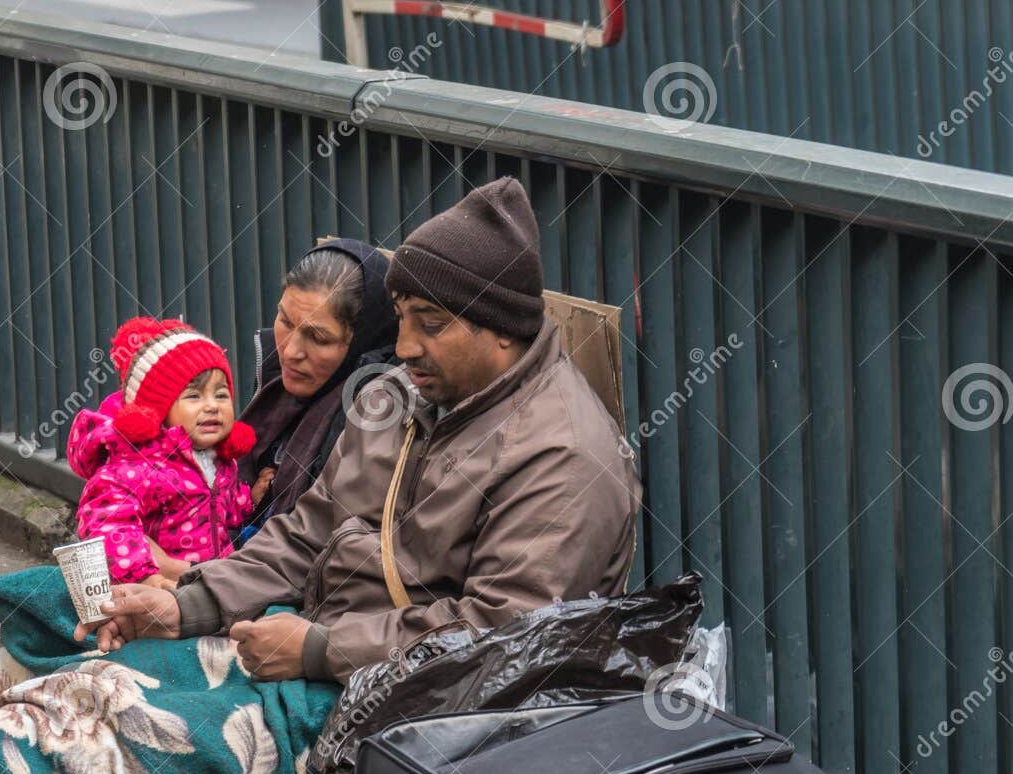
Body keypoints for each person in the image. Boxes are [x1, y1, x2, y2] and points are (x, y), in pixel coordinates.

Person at [77, 177, 642, 683]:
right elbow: (308, 532)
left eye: (431, 324)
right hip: (321, 640)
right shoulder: (396, 395)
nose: (403, 347)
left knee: (89, 741)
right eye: (401, 318)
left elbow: (506, 636)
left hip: (420, 712)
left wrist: (320, 650)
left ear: (499, 329)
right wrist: (188, 606)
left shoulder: (565, 455)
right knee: (64, 627)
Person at [67, 316, 259, 588]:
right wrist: (144, 576)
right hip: (157, 586)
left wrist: (248, 500)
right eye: (194, 396)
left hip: (209, 580)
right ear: (158, 411)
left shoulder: (218, 459)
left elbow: (222, 507)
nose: (212, 406)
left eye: (221, 394)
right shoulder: (139, 466)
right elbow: (109, 524)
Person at [237, 238, 399, 535]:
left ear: (363, 342)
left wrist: (195, 569)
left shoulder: (374, 419)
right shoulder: (274, 391)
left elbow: (318, 554)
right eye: (285, 320)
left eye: (319, 338)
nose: (289, 352)